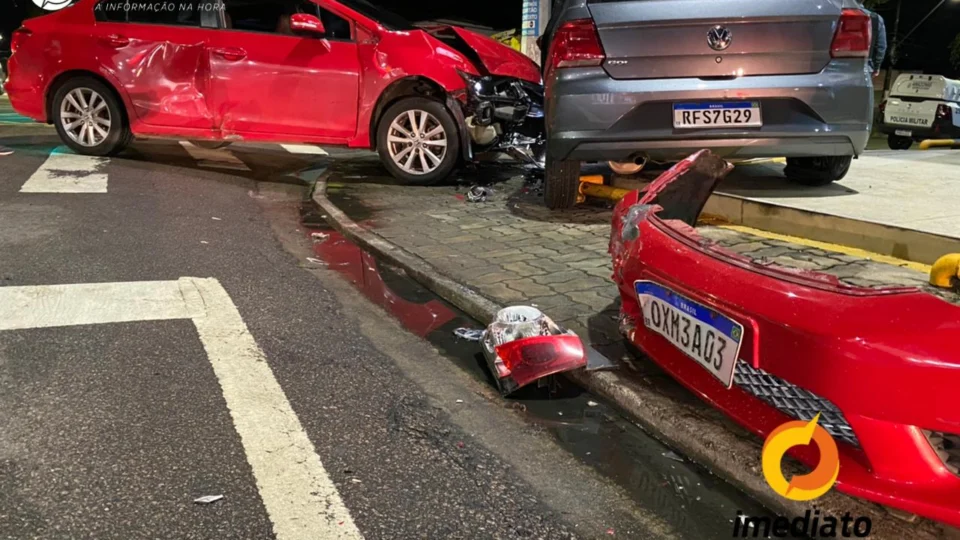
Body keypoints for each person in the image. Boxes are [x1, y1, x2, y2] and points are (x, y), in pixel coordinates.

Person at [865, 7, 888, 77]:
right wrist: (876, 67)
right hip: (865, 66)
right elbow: (881, 47)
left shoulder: (838, 13)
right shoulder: (875, 18)